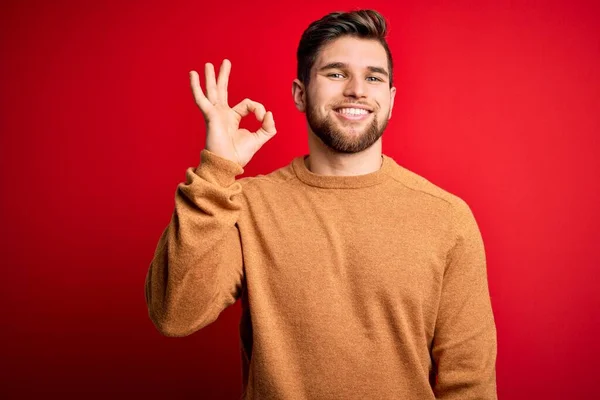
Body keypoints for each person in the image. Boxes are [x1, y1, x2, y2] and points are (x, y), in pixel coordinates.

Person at [145, 9, 497, 400]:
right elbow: (174, 313)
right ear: (300, 93)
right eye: (336, 73)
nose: (357, 90)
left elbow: (469, 385)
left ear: (391, 99)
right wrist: (216, 171)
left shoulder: (446, 218)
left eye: (374, 77)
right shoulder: (247, 204)